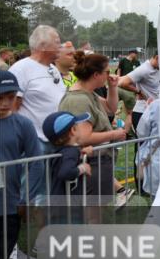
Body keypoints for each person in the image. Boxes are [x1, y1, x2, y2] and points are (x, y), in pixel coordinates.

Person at [59, 52, 125, 208]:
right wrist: (114, 134)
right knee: (92, 215)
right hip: (91, 163)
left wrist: (113, 87)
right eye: (107, 72)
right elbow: (83, 137)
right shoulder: (78, 100)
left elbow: (110, 108)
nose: (110, 75)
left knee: (95, 212)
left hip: (97, 162)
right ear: (96, 74)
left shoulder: (88, 93)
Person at [9, 26, 65, 200]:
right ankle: (23, 222)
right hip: (34, 142)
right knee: (30, 190)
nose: (61, 46)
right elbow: (12, 108)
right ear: (43, 45)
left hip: (56, 139)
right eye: (57, 42)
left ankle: (43, 222)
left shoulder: (53, 68)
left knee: (50, 190)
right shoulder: (21, 69)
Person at [0, 71, 42, 259]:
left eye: (10, 97)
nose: (5, 103)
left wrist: (27, 198)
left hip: (7, 208)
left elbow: (36, 162)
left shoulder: (23, 125)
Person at [42, 111, 93, 221]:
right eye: (77, 126)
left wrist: (80, 154)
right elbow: (65, 172)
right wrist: (83, 168)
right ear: (73, 130)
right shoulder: (71, 152)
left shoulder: (58, 151)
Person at [120, 53, 159, 130]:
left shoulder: (158, 69)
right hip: (142, 113)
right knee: (143, 141)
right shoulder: (144, 69)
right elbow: (123, 83)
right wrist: (138, 92)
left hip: (154, 112)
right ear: (157, 58)